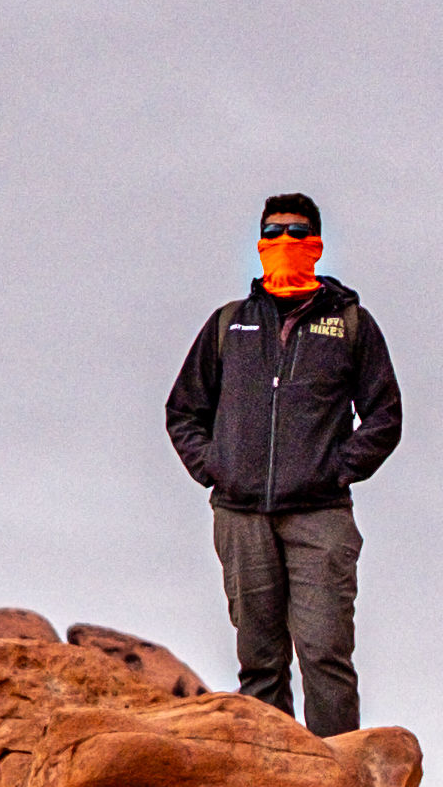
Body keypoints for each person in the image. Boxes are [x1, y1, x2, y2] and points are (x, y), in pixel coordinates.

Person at [160, 190, 400, 734]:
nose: (283, 241)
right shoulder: (229, 324)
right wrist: (214, 466)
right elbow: (183, 410)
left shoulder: (351, 325)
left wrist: (336, 468)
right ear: (258, 243)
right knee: (260, 663)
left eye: (296, 232)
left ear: (316, 244)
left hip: (320, 516)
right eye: (272, 232)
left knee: (325, 656)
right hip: (241, 516)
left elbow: (384, 415)